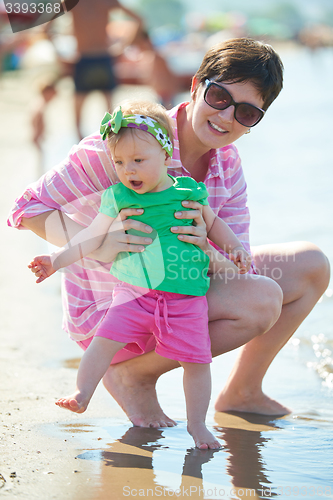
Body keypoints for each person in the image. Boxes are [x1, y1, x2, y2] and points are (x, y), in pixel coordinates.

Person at [8, 38, 330, 428]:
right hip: (113, 312)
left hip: (176, 289)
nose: (227, 116)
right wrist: (103, 245)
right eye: (219, 97)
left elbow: (236, 266)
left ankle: (243, 390)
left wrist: (208, 251)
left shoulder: (226, 166)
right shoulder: (129, 145)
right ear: (196, 85)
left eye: (246, 112)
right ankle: (133, 373)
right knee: (261, 300)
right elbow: (27, 208)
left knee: (310, 264)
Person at [28, 101, 251, 449]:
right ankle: (81, 392)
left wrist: (235, 249)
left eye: (137, 160)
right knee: (103, 343)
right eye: (119, 162)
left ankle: (198, 427)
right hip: (133, 295)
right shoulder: (118, 196)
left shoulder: (188, 191)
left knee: (196, 362)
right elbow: (91, 236)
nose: (127, 170)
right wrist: (56, 259)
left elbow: (214, 224)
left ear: (165, 154)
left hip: (186, 298)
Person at [69, 0, 143, 139]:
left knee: (79, 105)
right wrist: (124, 47)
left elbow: (45, 25)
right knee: (110, 107)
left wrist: (59, 54)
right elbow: (139, 19)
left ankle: (80, 144)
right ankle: (112, 142)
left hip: (84, 57)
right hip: (103, 57)